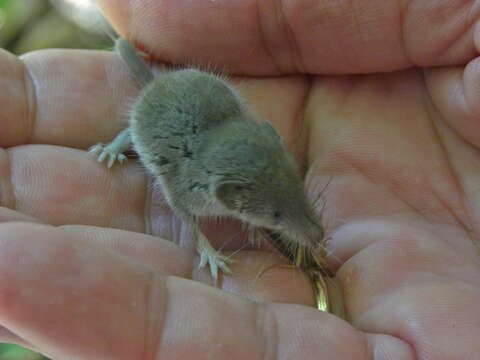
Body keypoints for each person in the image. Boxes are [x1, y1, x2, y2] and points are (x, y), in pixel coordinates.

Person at [0, 0, 479, 358]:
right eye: (273, 212)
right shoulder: (197, 192)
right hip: (161, 120)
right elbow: (178, 198)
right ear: (227, 198)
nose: (309, 226)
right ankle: (121, 138)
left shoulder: (253, 161)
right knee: (142, 136)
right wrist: (205, 246)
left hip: (204, 104)